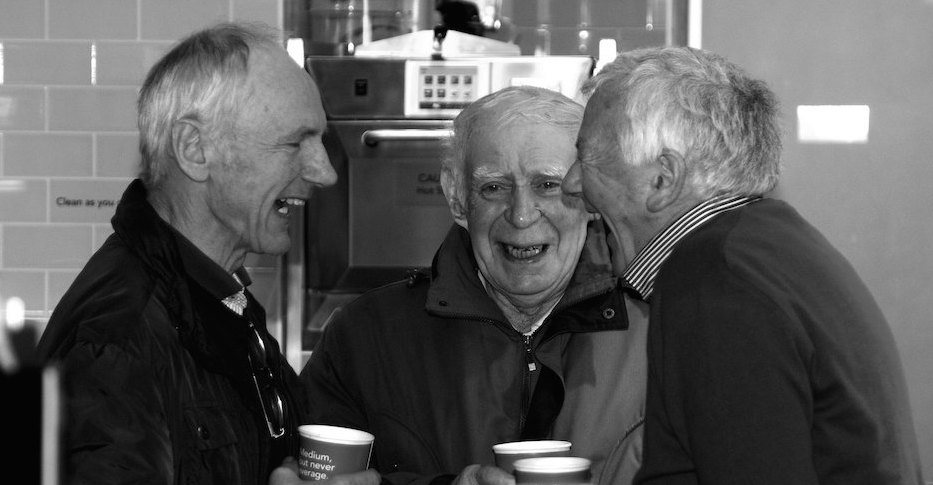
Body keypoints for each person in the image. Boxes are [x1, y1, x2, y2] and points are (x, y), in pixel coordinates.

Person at [564, 46, 924, 484]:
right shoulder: (770, 247)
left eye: (586, 159)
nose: (571, 184)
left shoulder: (717, 282)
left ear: (662, 179)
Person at [36, 22, 377, 485]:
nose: (324, 172)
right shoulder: (114, 342)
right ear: (195, 149)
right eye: (296, 142)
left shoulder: (219, 298)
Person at [285, 86, 649, 485]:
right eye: (494, 187)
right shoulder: (365, 337)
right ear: (458, 199)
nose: (522, 216)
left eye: (548, 184)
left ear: (590, 196)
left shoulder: (660, 334)